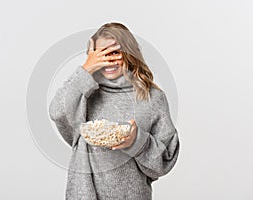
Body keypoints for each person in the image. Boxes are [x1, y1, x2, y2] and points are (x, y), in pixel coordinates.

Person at [49, 22, 180, 200]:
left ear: (129, 53)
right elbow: (57, 112)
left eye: (115, 53)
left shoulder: (152, 98)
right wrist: (85, 71)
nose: (108, 60)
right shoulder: (83, 94)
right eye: (101, 54)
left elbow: (166, 159)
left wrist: (137, 142)